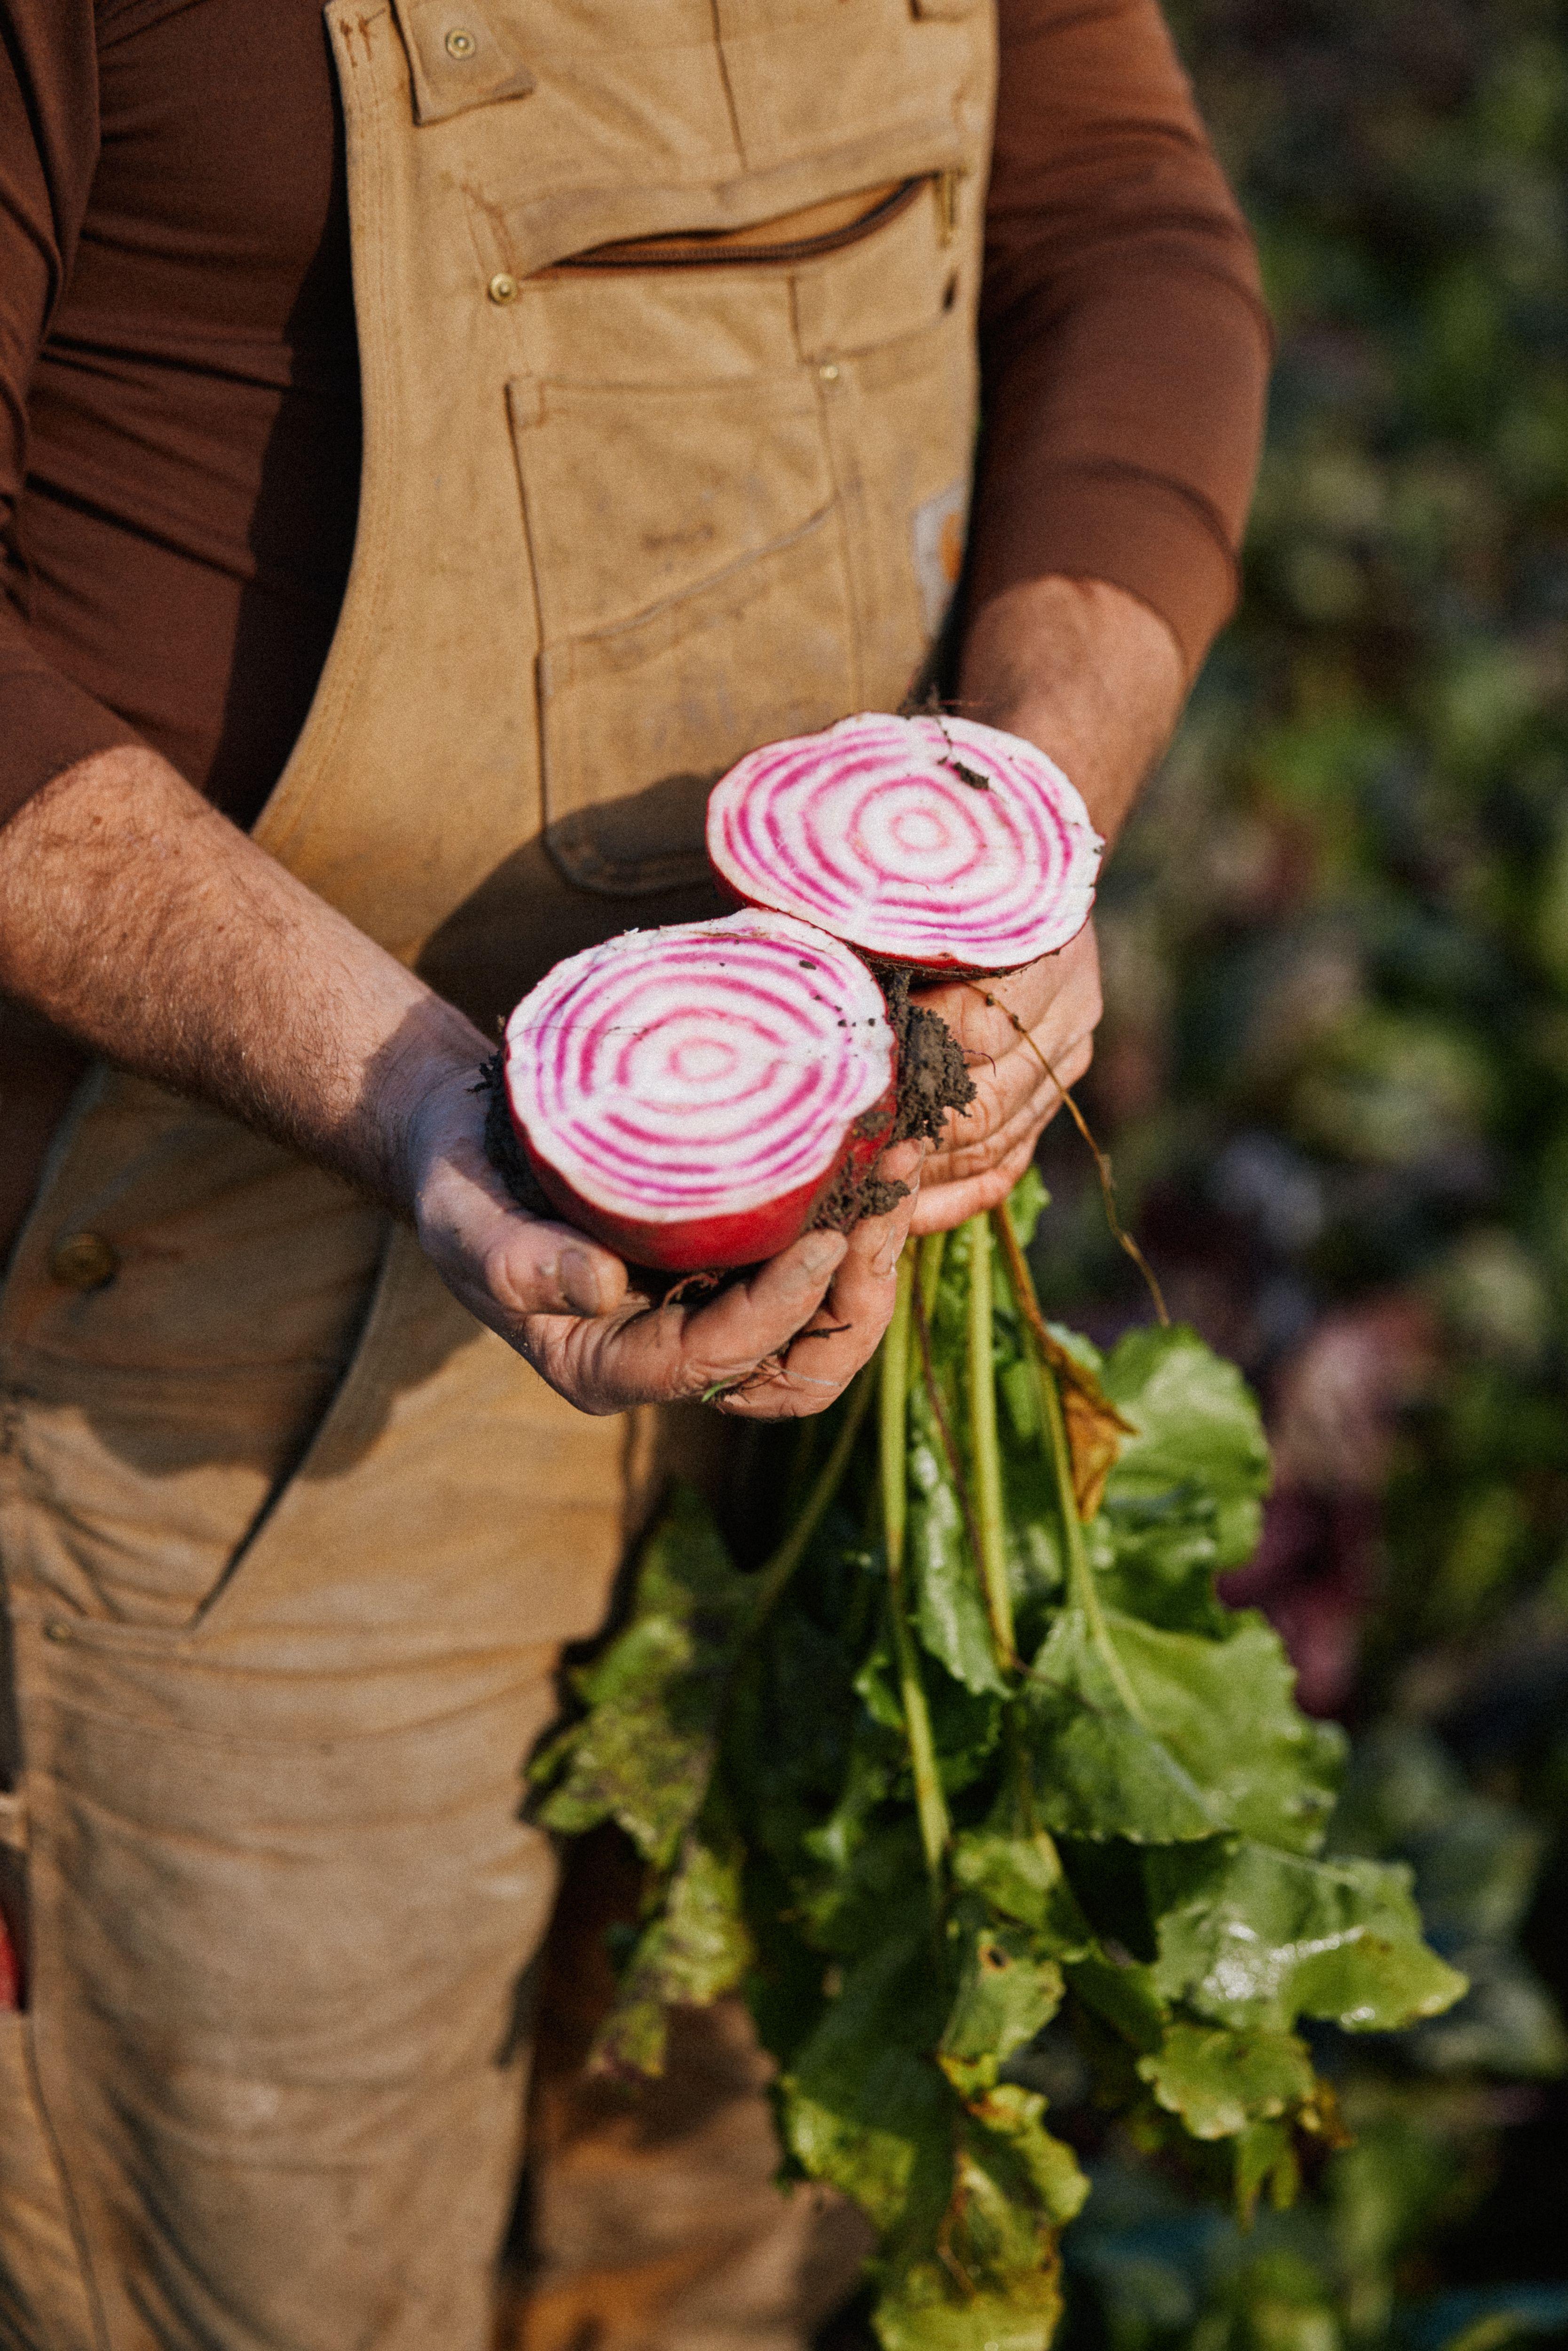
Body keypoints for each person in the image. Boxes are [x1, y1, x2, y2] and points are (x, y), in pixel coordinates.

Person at [0, 1, 1269, 2344]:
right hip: (212, 1324)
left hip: (857, 1240)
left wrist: (1012, 831)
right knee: (277, 2254)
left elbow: (1127, 234)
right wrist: (410, 1095)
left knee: (740, 2199)